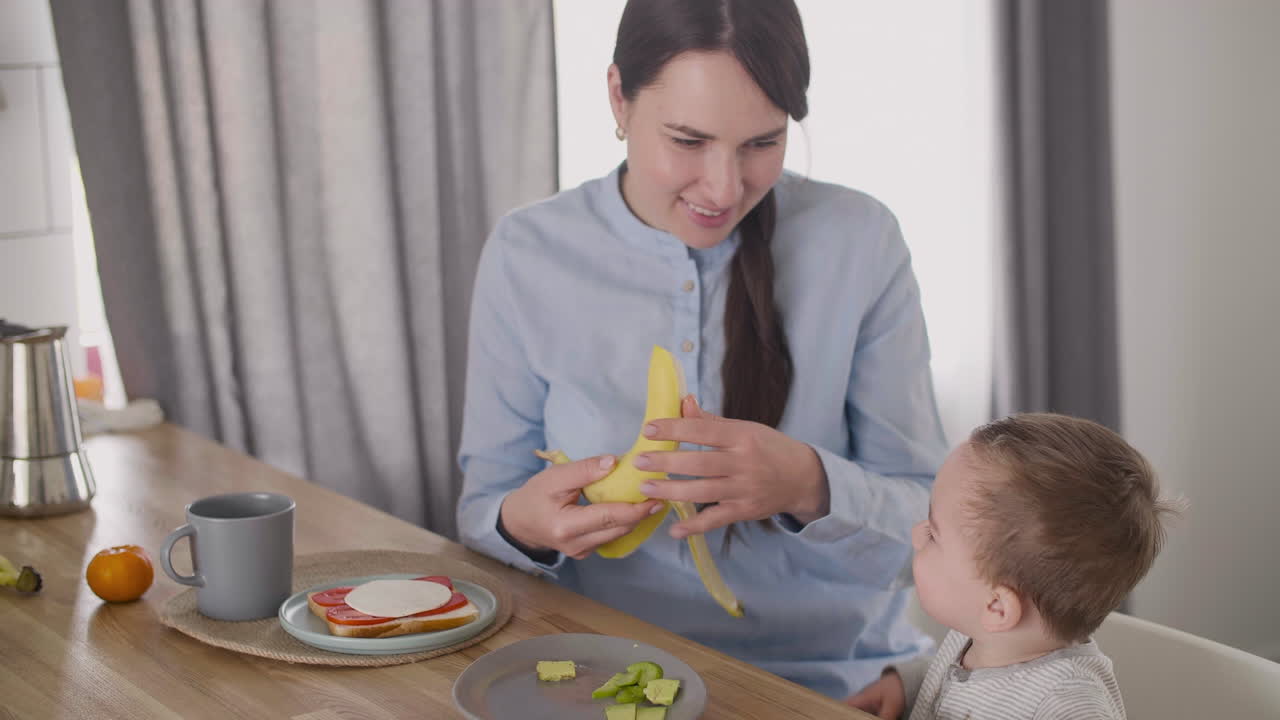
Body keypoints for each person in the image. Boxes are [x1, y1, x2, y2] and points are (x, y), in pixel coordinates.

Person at [456, 0, 947, 699]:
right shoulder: (528, 253)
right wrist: (524, 524)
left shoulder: (860, 242)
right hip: (606, 679)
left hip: (835, 686)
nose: (724, 188)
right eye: (688, 141)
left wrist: (811, 483)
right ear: (619, 98)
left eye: (761, 143)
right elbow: (483, 511)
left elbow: (933, 531)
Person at [848, 413, 1181, 719]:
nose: (915, 535)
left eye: (933, 534)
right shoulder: (981, 634)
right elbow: (957, 678)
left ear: (997, 606)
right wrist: (906, 687)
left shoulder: (1066, 706)